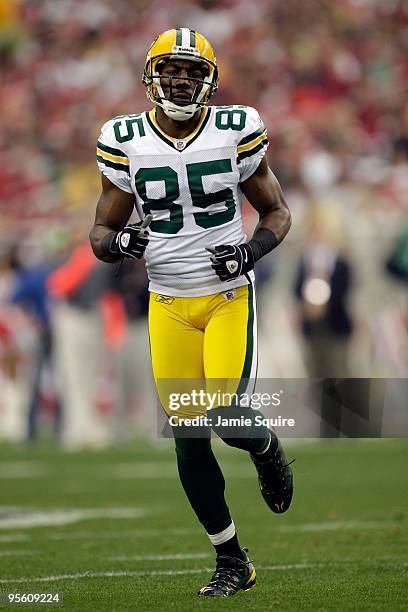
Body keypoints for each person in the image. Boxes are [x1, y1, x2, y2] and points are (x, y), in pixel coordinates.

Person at [90, 28, 293, 598]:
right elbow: (101, 232)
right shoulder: (125, 139)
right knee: (188, 434)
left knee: (227, 417)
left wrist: (251, 250)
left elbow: (277, 212)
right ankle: (232, 559)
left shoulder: (235, 131)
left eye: (192, 72)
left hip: (227, 296)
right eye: (171, 70)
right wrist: (121, 245)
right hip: (167, 303)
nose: (181, 81)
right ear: (152, 76)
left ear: (209, 80)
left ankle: (267, 448)